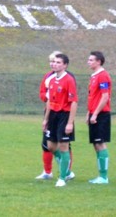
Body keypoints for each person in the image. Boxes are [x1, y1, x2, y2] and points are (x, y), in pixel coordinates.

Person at [36, 51, 74, 181]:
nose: (53, 64)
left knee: (64, 145)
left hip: (64, 114)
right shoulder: (49, 78)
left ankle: (64, 174)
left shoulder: (68, 78)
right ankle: (52, 171)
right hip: (51, 113)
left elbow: (73, 101)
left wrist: (70, 122)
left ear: (64, 65)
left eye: (57, 62)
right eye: (52, 61)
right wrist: (45, 118)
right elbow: (45, 95)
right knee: (49, 145)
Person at [86, 51, 112, 184]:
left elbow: (105, 96)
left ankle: (103, 177)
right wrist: (89, 112)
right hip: (94, 113)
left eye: (91, 60)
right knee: (96, 144)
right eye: (88, 60)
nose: (88, 62)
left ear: (99, 62)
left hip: (101, 114)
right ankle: (101, 176)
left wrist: (95, 113)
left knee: (100, 143)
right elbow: (93, 96)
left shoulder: (103, 76)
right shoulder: (94, 76)